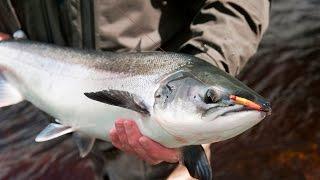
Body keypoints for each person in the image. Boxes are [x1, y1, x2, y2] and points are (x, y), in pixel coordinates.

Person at [0, 0, 270, 179]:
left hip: (168, 154)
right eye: (210, 98)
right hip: (54, 98)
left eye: (210, 98)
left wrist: (207, 64)